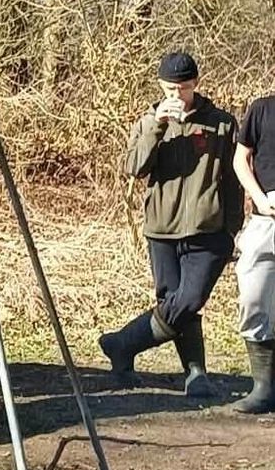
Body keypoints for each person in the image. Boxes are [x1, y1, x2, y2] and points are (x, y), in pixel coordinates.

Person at [100, 52, 240, 395]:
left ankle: (123, 343)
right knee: (173, 300)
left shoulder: (221, 122)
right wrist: (156, 126)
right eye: (170, 88)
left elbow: (234, 180)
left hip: (208, 230)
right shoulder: (148, 121)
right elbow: (134, 167)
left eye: (184, 87)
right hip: (161, 229)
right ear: (160, 86)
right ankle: (196, 374)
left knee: (189, 299)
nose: (177, 95)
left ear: (196, 84)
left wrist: (233, 229)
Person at [232, 90, 275, 413]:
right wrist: (260, 200)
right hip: (265, 219)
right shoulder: (261, 109)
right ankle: (263, 387)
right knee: (253, 295)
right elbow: (240, 159)